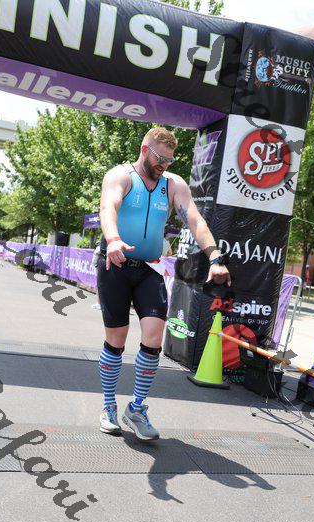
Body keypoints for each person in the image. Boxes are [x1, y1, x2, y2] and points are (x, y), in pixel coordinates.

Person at [97, 127, 231, 440]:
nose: (165, 165)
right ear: (145, 150)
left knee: (154, 337)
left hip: (150, 270)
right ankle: (108, 406)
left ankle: (137, 408)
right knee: (116, 340)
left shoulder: (172, 185)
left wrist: (215, 258)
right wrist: (113, 239)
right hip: (115, 265)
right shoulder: (120, 176)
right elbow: (108, 207)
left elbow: (195, 219)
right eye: (160, 158)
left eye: (170, 160)